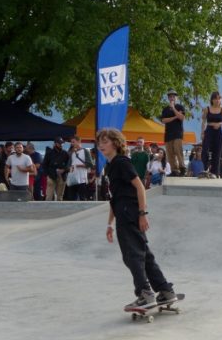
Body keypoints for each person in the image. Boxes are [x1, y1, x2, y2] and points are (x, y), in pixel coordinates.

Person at [99, 128, 177, 310]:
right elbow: (114, 198)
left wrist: (142, 214)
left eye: (105, 141)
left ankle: (145, 293)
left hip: (129, 213)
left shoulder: (121, 162)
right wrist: (109, 223)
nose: (101, 145)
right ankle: (165, 290)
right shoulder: (110, 166)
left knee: (132, 255)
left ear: (116, 143)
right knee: (144, 254)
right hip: (123, 211)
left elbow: (140, 187)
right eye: (100, 142)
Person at [200, 91, 222, 177]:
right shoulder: (207, 109)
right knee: (205, 150)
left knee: (217, 152)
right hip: (208, 130)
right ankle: (204, 169)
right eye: (215, 98)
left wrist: (220, 124)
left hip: (218, 132)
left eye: (219, 98)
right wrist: (202, 132)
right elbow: (204, 121)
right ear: (212, 99)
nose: (217, 100)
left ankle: (214, 172)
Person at [161, 88, 186, 177]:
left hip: (177, 133)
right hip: (168, 134)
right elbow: (163, 120)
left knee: (177, 149)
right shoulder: (165, 109)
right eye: (170, 96)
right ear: (168, 98)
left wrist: (174, 109)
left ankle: (182, 167)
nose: (172, 98)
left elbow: (182, 117)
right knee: (170, 153)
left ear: (176, 98)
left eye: (173, 96)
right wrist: (174, 117)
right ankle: (174, 170)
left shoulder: (180, 107)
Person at [67, 136, 93, 201]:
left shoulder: (85, 151)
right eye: (71, 142)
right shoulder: (72, 153)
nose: (72, 144)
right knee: (72, 198)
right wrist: (70, 168)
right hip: (73, 179)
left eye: (73, 142)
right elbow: (69, 165)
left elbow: (90, 164)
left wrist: (79, 165)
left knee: (82, 198)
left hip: (82, 179)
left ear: (79, 141)